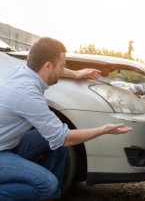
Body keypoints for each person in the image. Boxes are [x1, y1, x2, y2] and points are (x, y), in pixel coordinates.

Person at [0, 37, 133, 200]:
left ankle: (52, 197)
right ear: (47, 66)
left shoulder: (21, 72)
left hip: (8, 145)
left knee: (55, 144)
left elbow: (58, 140)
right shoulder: (26, 93)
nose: (64, 68)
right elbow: (65, 138)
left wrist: (76, 74)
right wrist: (104, 129)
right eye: (63, 65)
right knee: (46, 185)